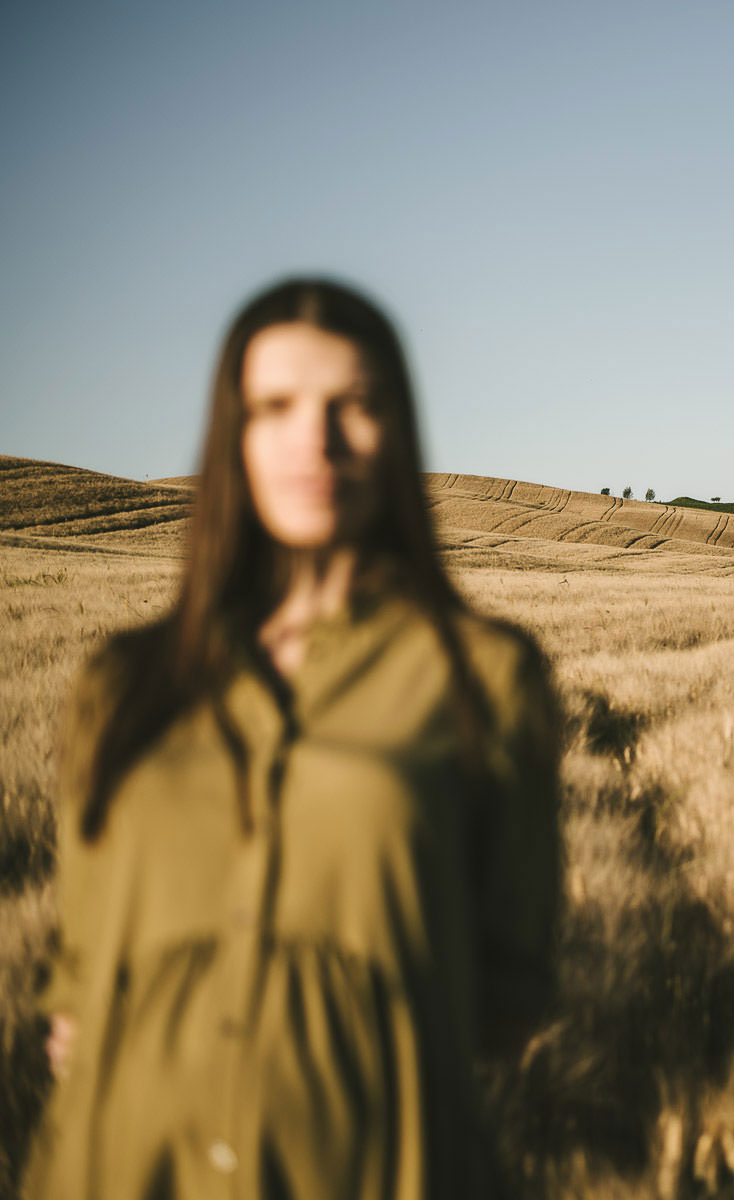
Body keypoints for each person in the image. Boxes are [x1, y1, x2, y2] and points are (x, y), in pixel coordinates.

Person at [25, 279, 565, 1199]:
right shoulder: (123, 684)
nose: (315, 440)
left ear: (398, 432)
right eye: (274, 406)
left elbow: (507, 1005)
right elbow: (76, 987)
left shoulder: (484, 679)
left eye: (353, 404)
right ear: (231, 435)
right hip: (117, 1168)